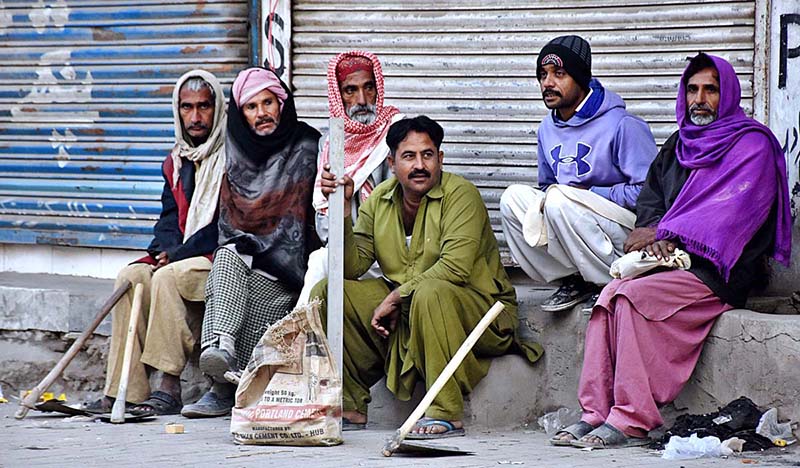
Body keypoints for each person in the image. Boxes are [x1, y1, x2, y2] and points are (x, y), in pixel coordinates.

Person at [551, 53, 791, 449]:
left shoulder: (752, 146)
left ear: (727, 93)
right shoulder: (681, 142)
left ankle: (631, 418)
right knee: (607, 296)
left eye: (710, 90)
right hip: (670, 263)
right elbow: (653, 196)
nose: (700, 99)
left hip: (718, 273)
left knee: (629, 297)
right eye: (692, 89)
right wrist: (652, 229)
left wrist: (667, 232)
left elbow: (729, 216)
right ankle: (594, 413)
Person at [311, 116, 543, 438]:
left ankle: (445, 411)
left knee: (430, 291)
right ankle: (349, 405)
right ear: (391, 162)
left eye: (428, 155)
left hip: (480, 316)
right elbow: (351, 267)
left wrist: (395, 296)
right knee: (330, 292)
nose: (420, 165)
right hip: (413, 311)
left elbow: (455, 269)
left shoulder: (461, 195)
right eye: (409, 156)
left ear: (440, 158)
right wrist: (344, 207)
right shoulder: (379, 200)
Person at [180, 67, 321, 418]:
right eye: (251, 107)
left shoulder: (307, 144)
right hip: (242, 260)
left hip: (288, 271)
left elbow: (313, 220)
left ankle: (222, 389)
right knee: (227, 257)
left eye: (268, 103)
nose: (262, 113)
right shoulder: (235, 149)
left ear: (282, 103)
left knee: (245, 293)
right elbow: (230, 226)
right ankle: (219, 350)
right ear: (241, 114)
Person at [87, 70, 226, 415]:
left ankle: (169, 383)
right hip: (183, 254)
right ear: (177, 111)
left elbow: (228, 225)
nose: (195, 117)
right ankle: (124, 388)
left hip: (219, 258)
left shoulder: (232, 156)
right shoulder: (176, 160)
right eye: (187, 107)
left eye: (204, 107)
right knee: (130, 277)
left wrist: (177, 255)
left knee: (167, 276)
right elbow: (167, 217)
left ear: (218, 108)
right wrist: (165, 249)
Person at [499, 35, 658, 312]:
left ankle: (608, 280)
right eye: (543, 75)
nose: (548, 83)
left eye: (559, 74)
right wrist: (568, 198)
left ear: (581, 78)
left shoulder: (623, 124)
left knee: (560, 199)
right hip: (573, 217)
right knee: (513, 200)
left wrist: (590, 194)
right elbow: (547, 187)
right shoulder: (547, 130)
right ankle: (572, 279)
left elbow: (650, 192)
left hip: (622, 229)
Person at [297, 50, 403, 304]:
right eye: (350, 91)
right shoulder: (331, 144)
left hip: (392, 253)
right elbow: (326, 231)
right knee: (321, 261)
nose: (362, 99)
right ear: (339, 95)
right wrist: (333, 200)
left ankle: (290, 340)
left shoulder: (397, 133)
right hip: (348, 251)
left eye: (369, 88)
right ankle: (298, 338)